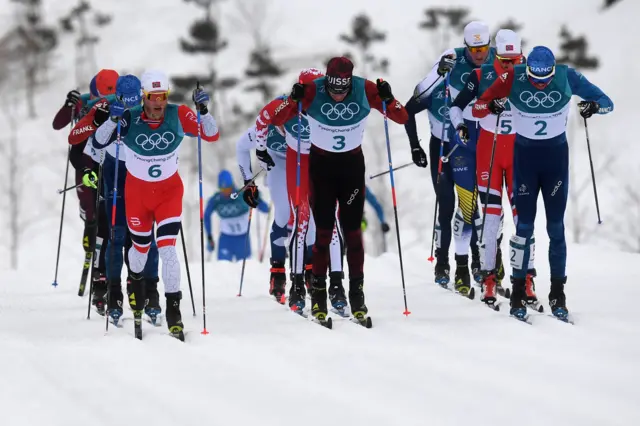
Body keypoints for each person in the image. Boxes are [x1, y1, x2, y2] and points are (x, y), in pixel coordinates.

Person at [259, 57, 408, 324]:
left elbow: (402, 116)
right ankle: (314, 294)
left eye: (343, 90)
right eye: (333, 89)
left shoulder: (365, 89)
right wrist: (292, 101)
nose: (338, 96)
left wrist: (390, 99)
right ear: (326, 81)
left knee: (351, 231)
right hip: (320, 169)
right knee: (320, 229)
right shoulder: (313, 90)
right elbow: (277, 118)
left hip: (351, 169)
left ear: (350, 82)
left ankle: (353, 294)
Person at [473, 46, 613, 320]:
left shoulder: (566, 76)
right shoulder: (513, 76)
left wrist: (593, 106)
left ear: (552, 71)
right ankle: (516, 292)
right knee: (523, 226)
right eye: (535, 79)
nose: (539, 84)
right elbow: (481, 107)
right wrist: (492, 105)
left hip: (555, 163)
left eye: (545, 79)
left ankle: (558, 293)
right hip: (524, 161)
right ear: (528, 71)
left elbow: (608, 102)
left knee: (556, 228)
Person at [93, 70, 219, 340]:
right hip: (137, 195)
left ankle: (174, 310)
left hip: (168, 193)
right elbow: (99, 141)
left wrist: (204, 111)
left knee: (167, 251)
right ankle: (136, 289)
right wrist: (113, 119)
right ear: (144, 97)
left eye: (163, 96)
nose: (158, 103)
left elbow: (211, 135)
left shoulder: (178, 114)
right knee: (139, 249)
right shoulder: (130, 116)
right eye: (153, 97)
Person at [404, 21, 495, 296]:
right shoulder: (448, 68)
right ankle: (443, 263)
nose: (480, 54)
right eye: (474, 49)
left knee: (476, 205)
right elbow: (410, 107)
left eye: (484, 48)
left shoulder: (493, 64)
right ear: (466, 46)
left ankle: (478, 262)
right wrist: (415, 147)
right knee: (446, 205)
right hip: (442, 146)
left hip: (474, 145)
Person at [450, 29, 537, 308]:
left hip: (519, 154)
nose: (512, 66)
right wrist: (478, 113)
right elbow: (460, 108)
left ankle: (525, 278)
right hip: (489, 152)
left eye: (516, 59)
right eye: (505, 60)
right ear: (496, 56)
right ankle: (488, 276)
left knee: (523, 217)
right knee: (489, 218)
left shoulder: (529, 75)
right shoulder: (481, 75)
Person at [70, 75, 163, 322]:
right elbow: (86, 146)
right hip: (114, 176)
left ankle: (147, 289)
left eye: (135, 103)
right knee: (116, 234)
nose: (131, 108)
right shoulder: (105, 107)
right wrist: (89, 170)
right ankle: (112, 292)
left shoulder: (148, 111)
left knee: (144, 237)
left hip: (143, 178)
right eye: (126, 102)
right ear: (117, 97)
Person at [253, 68, 346, 312]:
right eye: (309, 91)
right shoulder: (288, 104)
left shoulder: (330, 104)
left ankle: (337, 286)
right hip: (298, 163)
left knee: (331, 223)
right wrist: (261, 149)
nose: (315, 96)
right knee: (301, 222)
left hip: (324, 162)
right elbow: (263, 120)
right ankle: (296, 287)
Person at [55, 69, 118, 311]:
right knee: (92, 218)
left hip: (109, 166)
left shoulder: (119, 100)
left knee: (108, 219)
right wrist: (67, 107)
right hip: (86, 168)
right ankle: (90, 248)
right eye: (102, 98)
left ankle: (102, 269)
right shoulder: (83, 101)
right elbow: (58, 124)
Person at [204, 170, 269, 262]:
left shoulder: (242, 195)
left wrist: (258, 199)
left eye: (228, 189)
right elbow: (206, 216)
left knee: (246, 268)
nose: (225, 192)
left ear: (232, 186)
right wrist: (209, 237)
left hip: (242, 240)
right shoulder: (216, 199)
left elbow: (264, 208)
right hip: (225, 239)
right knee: (223, 268)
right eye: (222, 190)